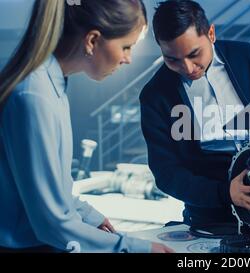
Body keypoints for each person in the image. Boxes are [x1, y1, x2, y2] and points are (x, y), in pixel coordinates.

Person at [0, 0, 173, 253]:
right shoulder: (35, 95)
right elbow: (52, 223)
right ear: (92, 40)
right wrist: (140, 249)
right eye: (126, 47)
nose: (128, 59)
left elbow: (53, 188)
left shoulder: (52, 83)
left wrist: (89, 215)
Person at [140, 0, 250, 227]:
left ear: (211, 33)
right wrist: (225, 193)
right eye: (172, 59)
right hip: (209, 215)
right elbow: (166, 174)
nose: (187, 68)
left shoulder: (246, 57)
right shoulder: (155, 95)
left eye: (194, 54)